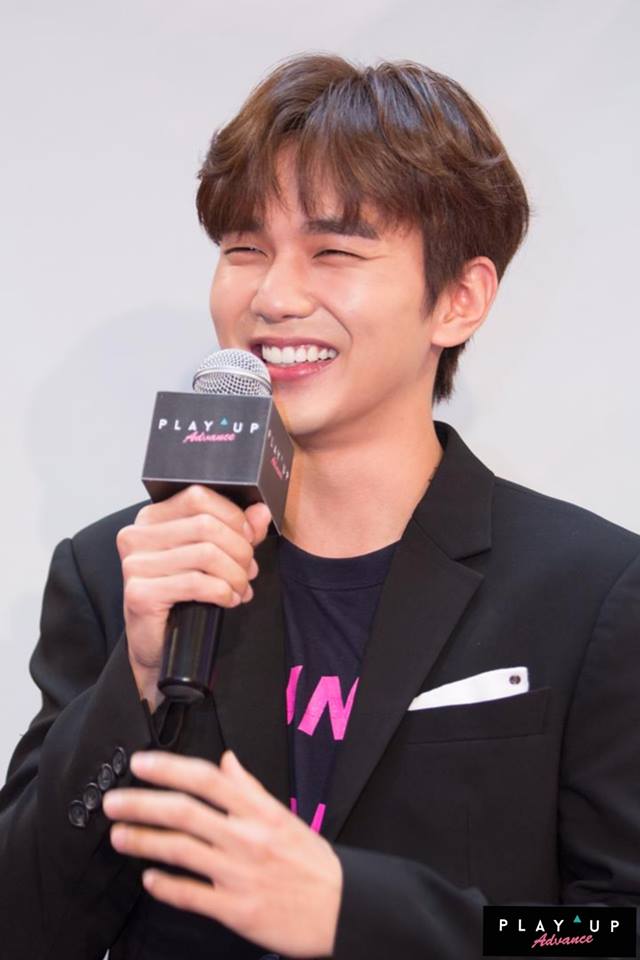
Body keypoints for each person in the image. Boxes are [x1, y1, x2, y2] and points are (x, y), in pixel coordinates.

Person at [1, 52, 639, 960]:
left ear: (459, 300)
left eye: (334, 251)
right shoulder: (124, 572)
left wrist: (354, 910)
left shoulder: (594, 593)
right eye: (245, 250)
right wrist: (131, 684)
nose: (273, 296)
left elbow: (610, 935)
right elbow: (22, 929)